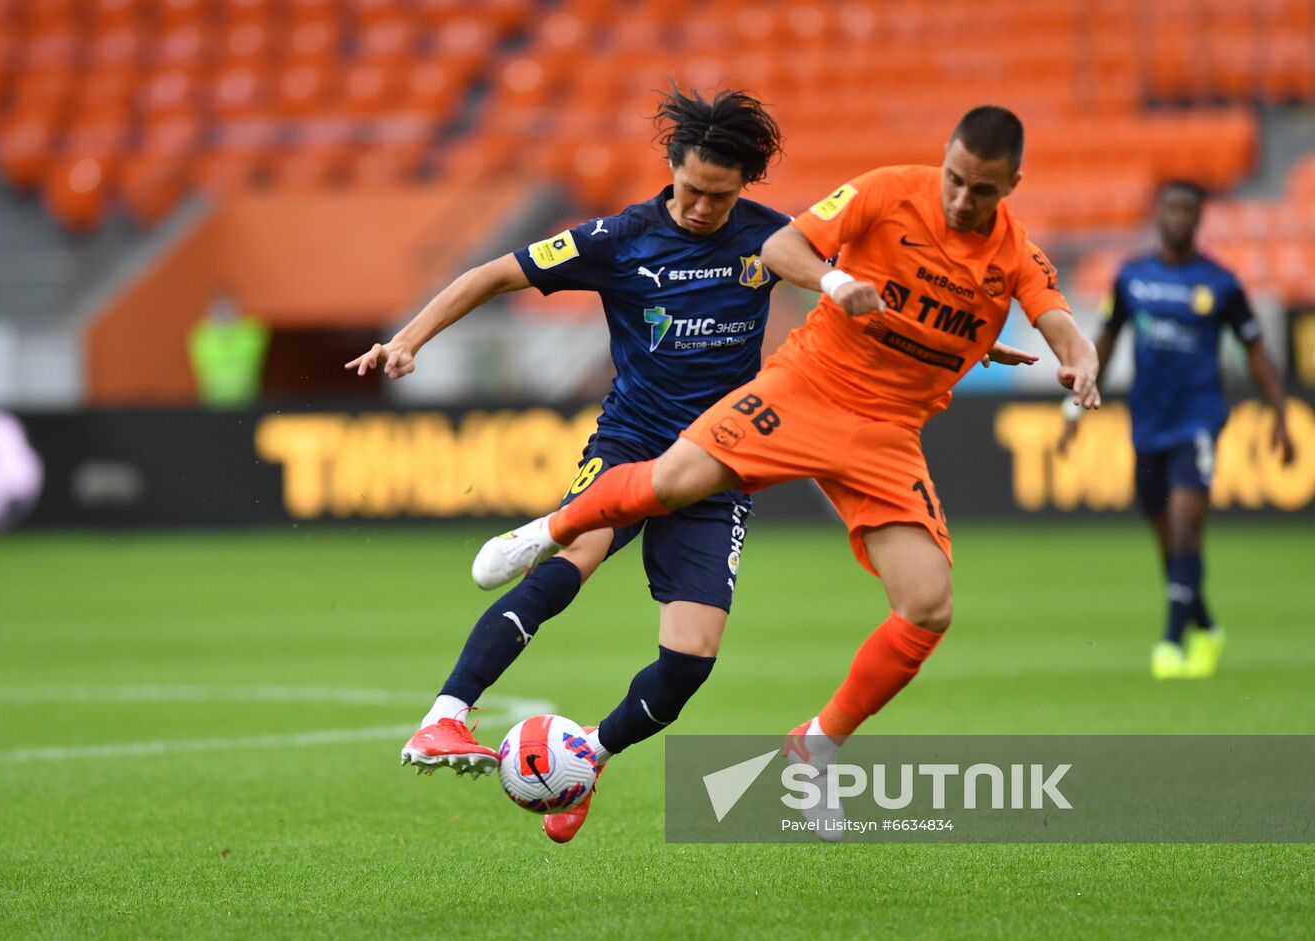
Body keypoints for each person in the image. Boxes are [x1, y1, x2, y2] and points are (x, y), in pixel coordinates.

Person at [472, 105, 1098, 840]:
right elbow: (782, 245)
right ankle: (550, 528)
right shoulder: (887, 190)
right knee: (671, 482)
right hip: (806, 388)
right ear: (945, 158)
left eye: (982, 190)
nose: (962, 199)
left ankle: (817, 744)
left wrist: (1080, 359)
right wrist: (834, 284)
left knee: (929, 604)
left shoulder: (1015, 251)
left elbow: (1055, 314)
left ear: (1013, 184)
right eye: (956, 178)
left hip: (887, 434)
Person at [347, 85, 792, 843]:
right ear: (672, 168)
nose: (699, 208)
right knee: (568, 559)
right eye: (689, 189)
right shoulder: (621, 237)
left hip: (719, 470)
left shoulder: (775, 238)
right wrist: (410, 338)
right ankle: (445, 715)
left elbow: (873, 288)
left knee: (689, 665)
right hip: (631, 445)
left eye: (718, 197)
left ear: (746, 184)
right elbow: (490, 274)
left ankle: (588, 753)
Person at [1059, 181, 1293, 680]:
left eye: (1188, 209)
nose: (1179, 218)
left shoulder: (1221, 284)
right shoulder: (1131, 278)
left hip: (1200, 419)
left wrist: (1280, 415)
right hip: (1148, 421)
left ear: (1199, 218)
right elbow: (1105, 336)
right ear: (1160, 215)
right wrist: (1075, 408)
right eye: (1171, 208)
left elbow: (1254, 349)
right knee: (1168, 539)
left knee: (1188, 526)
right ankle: (1207, 627)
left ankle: (1170, 643)